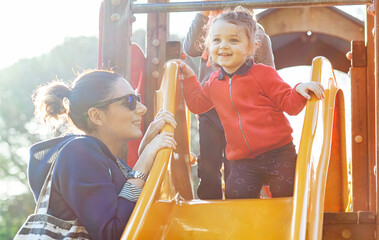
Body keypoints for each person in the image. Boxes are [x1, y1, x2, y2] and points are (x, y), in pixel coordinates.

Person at [177, 6, 324, 199]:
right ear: (208, 46)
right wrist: (189, 78)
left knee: (285, 194)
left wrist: (298, 90)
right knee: (236, 195)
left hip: (278, 154)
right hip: (243, 161)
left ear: (252, 47)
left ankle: (282, 226)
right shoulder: (214, 81)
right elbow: (197, 104)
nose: (223, 46)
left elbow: (289, 104)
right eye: (216, 40)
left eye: (233, 40)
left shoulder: (263, 74)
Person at [29, 70, 177, 240]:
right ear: (96, 116)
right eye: (129, 101)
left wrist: (144, 153)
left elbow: (125, 210)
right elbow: (112, 233)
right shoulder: (78, 154)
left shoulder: (104, 160)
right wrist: (143, 162)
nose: (142, 109)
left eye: (138, 99)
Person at [183, 1, 275, 199]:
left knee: (238, 160)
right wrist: (203, 11)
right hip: (211, 106)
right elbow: (190, 48)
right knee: (208, 161)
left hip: (243, 110)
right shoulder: (210, 29)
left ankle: (241, 198)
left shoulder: (255, 33)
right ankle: (209, 200)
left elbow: (269, 72)